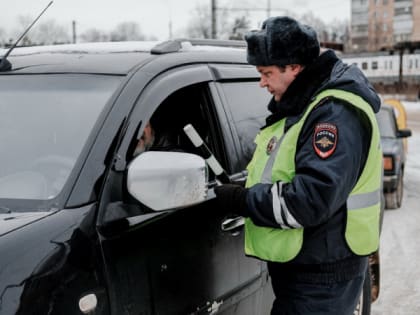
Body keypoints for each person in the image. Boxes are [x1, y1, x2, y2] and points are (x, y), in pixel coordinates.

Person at [214, 16, 382, 315]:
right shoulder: (304, 106)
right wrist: (248, 187)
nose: (261, 82)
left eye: (266, 73)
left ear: (294, 67)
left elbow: (311, 200)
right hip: (310, 267)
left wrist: (243, 199)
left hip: (323, 275)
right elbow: (286, 169)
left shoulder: (332, 114)